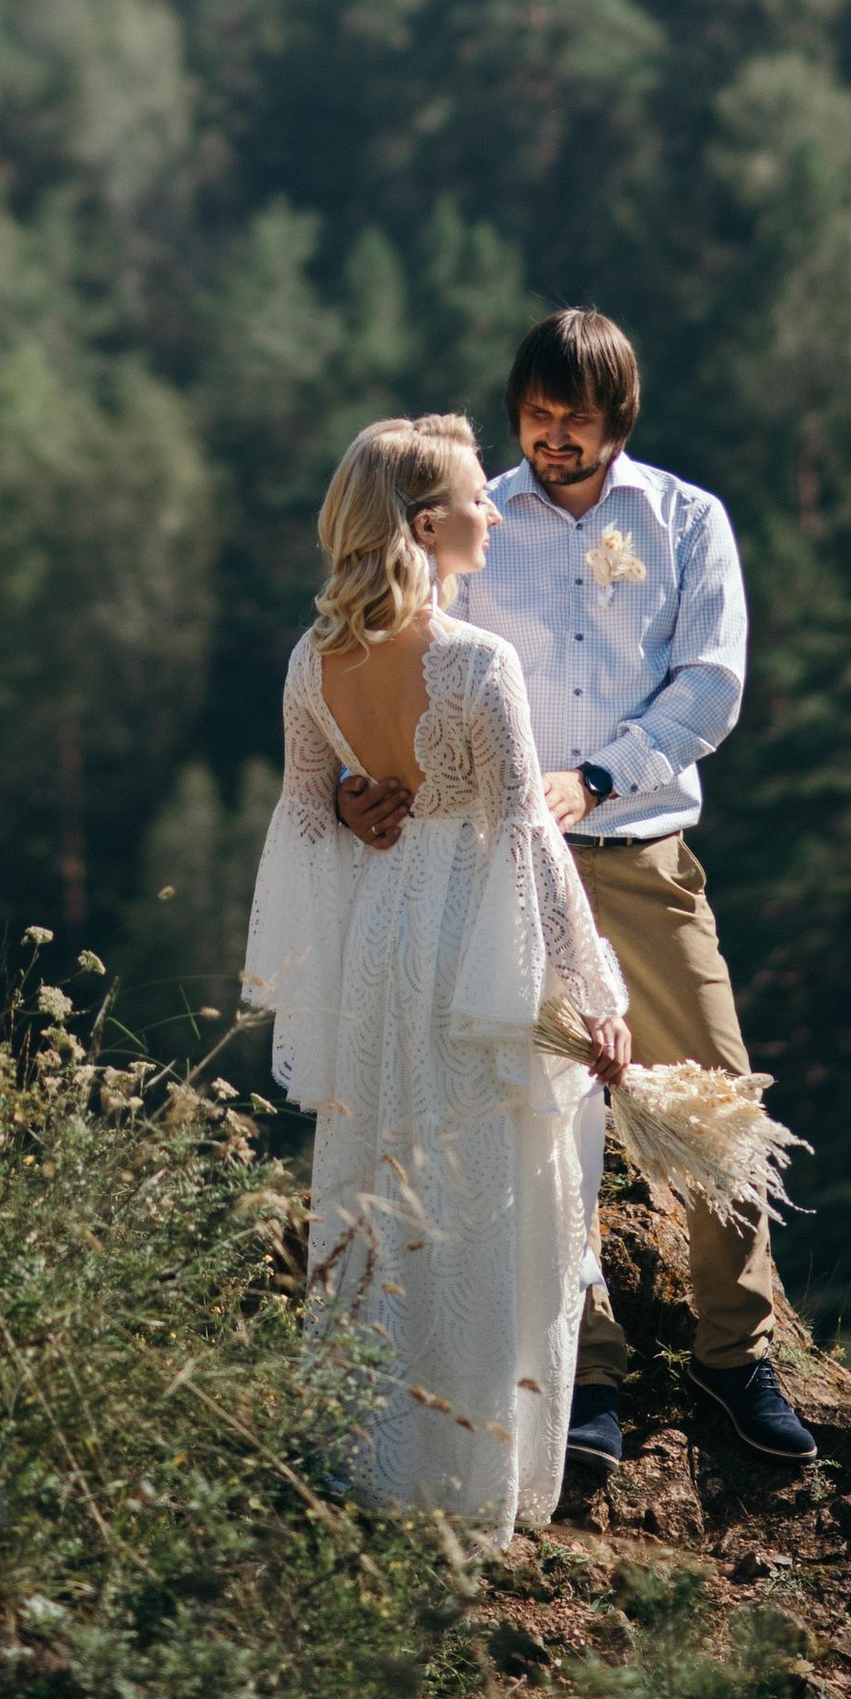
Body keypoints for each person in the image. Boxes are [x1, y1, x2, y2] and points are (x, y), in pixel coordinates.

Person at [334, 310, 814, 1469]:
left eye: (576, 420)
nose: (553, 438)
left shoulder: (690, 522)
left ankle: (734, 1358)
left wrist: (595, 779)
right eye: (537, 417)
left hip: (642, 855)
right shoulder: (476, 520)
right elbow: (403, 663)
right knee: (544, 1125)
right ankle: (582, 1372)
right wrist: (365, 783)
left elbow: (712, 685)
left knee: (717, 1096)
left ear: (619, 419)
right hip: (502, 869)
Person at [241, 415, 633, 1539]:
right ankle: (469, 1485)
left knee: (380, 1185)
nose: (494, 511)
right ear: (425, 526)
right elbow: (524, 840)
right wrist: (593, 998)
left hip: (379, 942)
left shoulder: (313, 658)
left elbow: (305, 817)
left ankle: (369, 1461)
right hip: (472, 941)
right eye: (475, 497)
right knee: (483, 1201)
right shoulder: (475, 663)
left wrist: (357, 807)